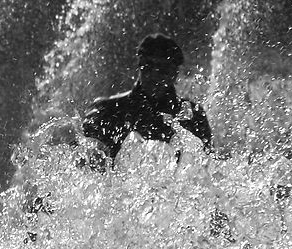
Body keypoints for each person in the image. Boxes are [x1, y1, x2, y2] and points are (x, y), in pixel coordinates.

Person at [79, 34, 211, 162]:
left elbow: (208, 164)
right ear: (139, 66)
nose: (154, 74)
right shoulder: (109, 110)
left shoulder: (192, 116)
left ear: (175, 73)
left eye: (163, 69)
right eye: (148, 66)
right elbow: (85, 158)